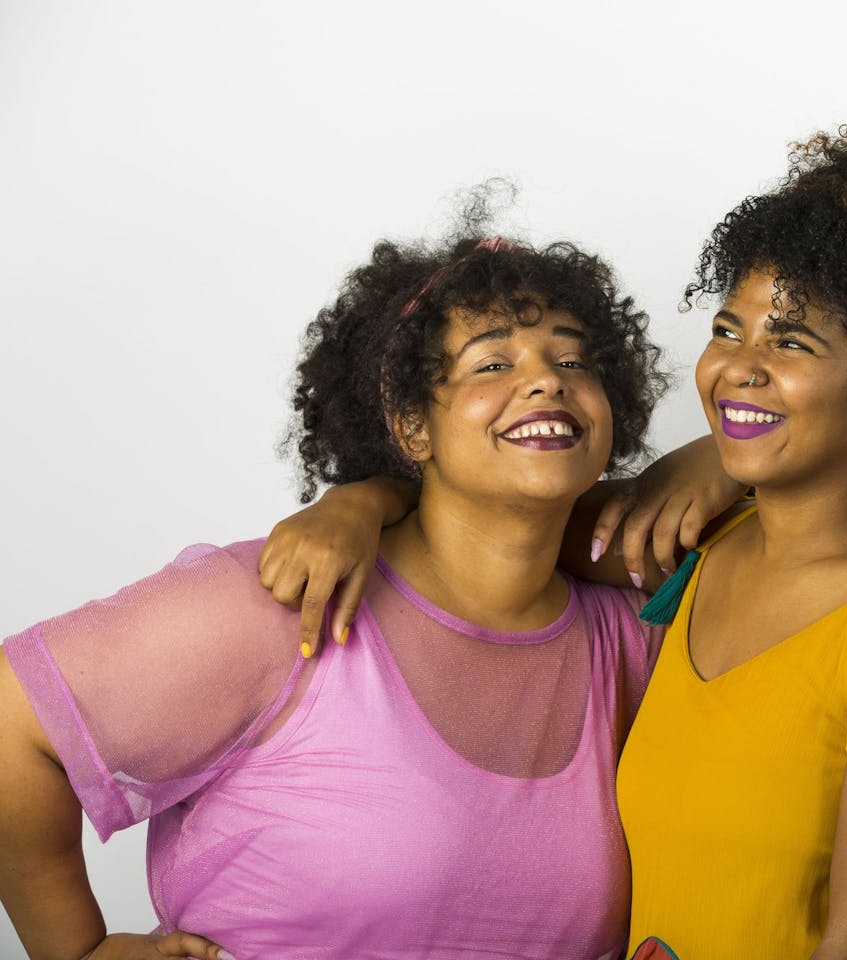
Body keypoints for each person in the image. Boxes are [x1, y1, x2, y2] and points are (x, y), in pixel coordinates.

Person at [263, 128, 847, 959]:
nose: (740, 368)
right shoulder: (690, 547)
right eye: (729, 331)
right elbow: (493, 499)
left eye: (791, 343)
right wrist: (359, 502)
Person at [0, 210, 669, 958]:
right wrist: (74, 952)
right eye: (492, 364)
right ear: (412, 426)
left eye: (575, 363)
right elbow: (10, 722)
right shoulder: (287, 602)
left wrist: (712, 466)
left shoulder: (633, 637)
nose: (546, 379)